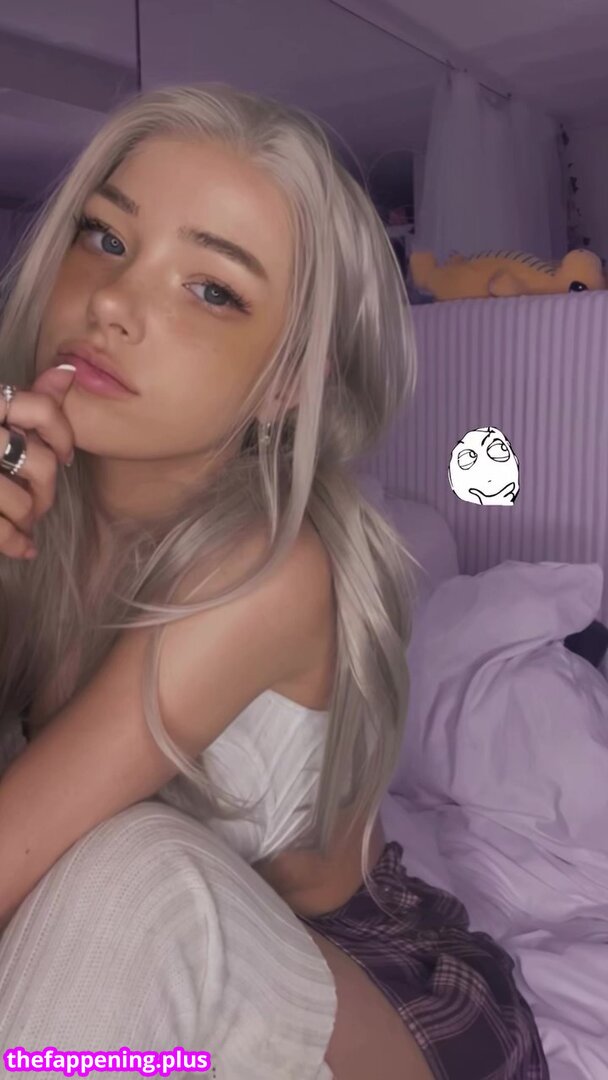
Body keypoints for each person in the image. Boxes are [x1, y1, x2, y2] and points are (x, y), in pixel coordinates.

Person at [0, 83, 548, 1079]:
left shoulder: (269, 572)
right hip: (125, 999)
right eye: (106, 237)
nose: (111, 301)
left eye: (212, 290)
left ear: (290, 379)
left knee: (129, 870)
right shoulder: (30, 498)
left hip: (361, 1000)